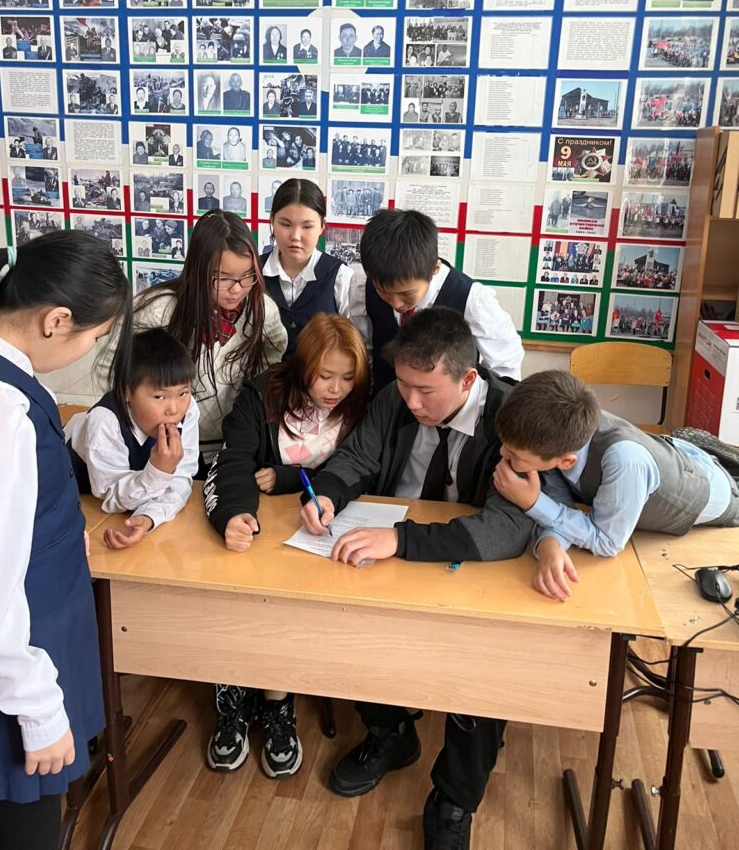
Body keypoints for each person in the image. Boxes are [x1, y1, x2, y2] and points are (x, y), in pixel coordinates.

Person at [297, 309, 545, 850]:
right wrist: (327, 495)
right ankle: (390, 733)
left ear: (467, 378)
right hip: (393, 550)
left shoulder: (509, 417)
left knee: (481, 668)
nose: (410, 401)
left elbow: (506, 530)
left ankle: (454, 799)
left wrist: (401, 540)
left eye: (425, 391)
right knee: (345, 616)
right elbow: (356, 459)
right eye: (404, 385)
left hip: (469, 566)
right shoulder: (396, 398)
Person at [0, 231, 132, 850]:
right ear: (57, 320)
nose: (89, 349)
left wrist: (65, 538)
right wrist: (37, 710)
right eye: (94, 337)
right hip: (18, 661)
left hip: (41, 630)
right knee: (29, 826)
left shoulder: (5, 380)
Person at [202, 314, 369, 780]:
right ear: (302, 367)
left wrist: (292, 477)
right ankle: (233, 693)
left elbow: (363, 467)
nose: (336, 389)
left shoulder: (363, 402)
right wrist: (232, 514)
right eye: (325, 375)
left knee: (289, 614)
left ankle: (278, 699)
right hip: (262, 530)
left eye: (347, 378)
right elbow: (233, 461)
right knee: (235, 599)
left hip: (321, 532)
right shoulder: (263, 394)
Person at [493, 370, 739, 601]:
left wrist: (533, 502)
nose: (503, 453)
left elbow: (607, 541)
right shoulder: (562, 433)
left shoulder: (624, 463)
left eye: (514, 454)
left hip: (715, 495)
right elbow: (560, 500)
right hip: (674, 455)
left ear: (566, 461)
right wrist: (550, 545)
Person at [98, 212, 287, 466]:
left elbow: (272, 364)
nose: (237, 289)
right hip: (164, 443)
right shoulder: (161, 309)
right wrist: (142, 424)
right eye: (222, 278)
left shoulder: (261, 310)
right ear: (199, 270)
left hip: (233, 443)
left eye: (247, 276)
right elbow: (110, 367)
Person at [359, 209, 524, 392]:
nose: (396, 303)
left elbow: (505, 362)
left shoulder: (472, 299)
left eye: (406, 294)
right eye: (383, 292)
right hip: (386, 402)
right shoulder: (363, 287)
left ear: (434, 268)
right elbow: (365, 349)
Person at [65, 329, 198, 549]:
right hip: (74, 486)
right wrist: (159, 471)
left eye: (183, 393)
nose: (174, 409)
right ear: (126, 391)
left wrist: (149, 517)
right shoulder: (104, 421)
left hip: (130, 492)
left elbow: (182, 479)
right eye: (159, 396)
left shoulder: (189, 409)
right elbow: (110, 496)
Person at [261, 179, 355, 356]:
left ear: (322, 226)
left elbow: (353, 347)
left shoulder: (341, 277)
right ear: (272, 221)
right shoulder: (252, 272)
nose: (296, 236)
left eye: (307, 226)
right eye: (286, 224)